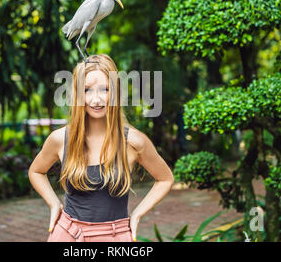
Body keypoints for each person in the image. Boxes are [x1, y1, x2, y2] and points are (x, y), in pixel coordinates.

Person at [28, 54, 174, 242]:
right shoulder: (60, 138)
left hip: (114, 237)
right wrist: (54, 203)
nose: (96, 100)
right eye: (87, 90)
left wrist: (137, 215)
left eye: (105, 89)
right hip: (67, 234)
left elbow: (165, 178)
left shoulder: (133, 142)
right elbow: (36, 171)